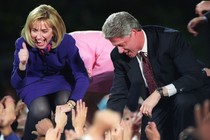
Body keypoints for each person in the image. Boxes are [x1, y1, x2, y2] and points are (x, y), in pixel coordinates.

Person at [102, 11, 210, 140]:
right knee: (147, 134)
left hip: (187, 96)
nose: (119, 50)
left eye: (121, 44)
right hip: (155, 106)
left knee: (182, 102)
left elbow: (194, 76)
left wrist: (160, 92)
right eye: (115, 46)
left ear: (134, 33)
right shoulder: (118, 56)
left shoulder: (169, 39)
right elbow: (118, 93)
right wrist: (110, 123)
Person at [10, 4, 89, 140]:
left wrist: (71, 103)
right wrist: (22, 65)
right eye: (34, 30)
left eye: (44, 31)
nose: (38, 37)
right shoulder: (21, 44)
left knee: (64, 102)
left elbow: (82, 75)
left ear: (54, 30)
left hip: (61, 82)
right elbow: (16, 83)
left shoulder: (67, 42)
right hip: (32, 83)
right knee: (40, 109)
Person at [69, 30, 115, 123]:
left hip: (109, 62)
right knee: (85, 102)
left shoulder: (64, 42)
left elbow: (84, 57)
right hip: (103, 71)